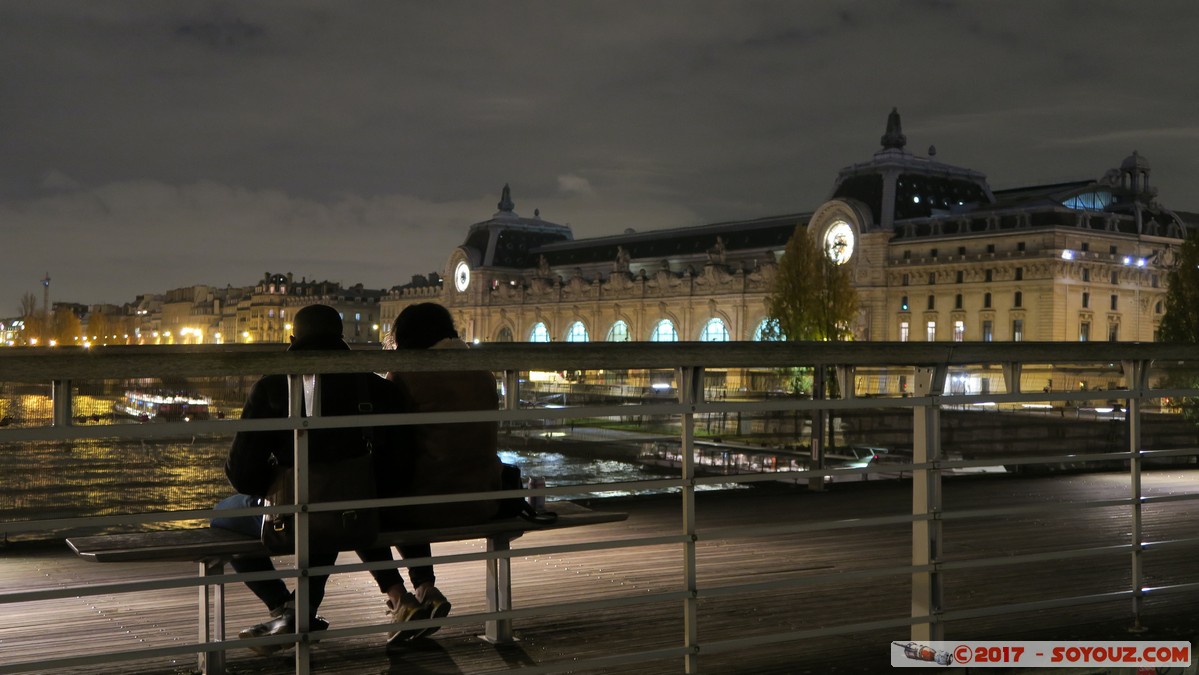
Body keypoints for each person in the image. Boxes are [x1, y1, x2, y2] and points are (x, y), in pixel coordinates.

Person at [213, 304, 407, 655]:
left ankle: (282, 607)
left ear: (292, 339)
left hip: (294, 508)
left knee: (224, 515)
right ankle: (297, 609)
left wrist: (272, 482)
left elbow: (242, 474)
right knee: (331, 509)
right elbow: (395, 456)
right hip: (356, 504)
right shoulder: (374, 387)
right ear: (342, 339)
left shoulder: (272, 385)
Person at [359, 302, 504, 645]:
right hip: (485, 500)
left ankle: (398, 597)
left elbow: (389, 442)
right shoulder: (482, 370)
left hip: (431, 505)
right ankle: (426, 589)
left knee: (358, 508)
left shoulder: (408, 372)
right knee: (411, 486)